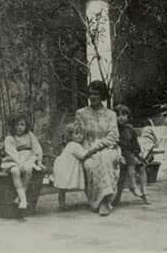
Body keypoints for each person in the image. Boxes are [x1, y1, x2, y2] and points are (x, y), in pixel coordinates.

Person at [74, 80, 121, 216]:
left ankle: (104, 202)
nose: (93, 97)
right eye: (90, 94)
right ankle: (99, 200)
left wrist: (96, 148)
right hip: (88, 151)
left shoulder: (111, 115)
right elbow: (78, 136)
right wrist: (88, 151)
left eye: (96, 94)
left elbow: (113, 137)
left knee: (104, 157)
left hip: (109, 149)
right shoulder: (81, 113)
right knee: (89, 166)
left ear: (102, 95)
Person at [1, 114, 45, 209]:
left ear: (26, 126)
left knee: (29, 169)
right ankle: (24, 199)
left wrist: (39, 161)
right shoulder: (9, 138)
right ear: (12, 126)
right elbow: (12, 152)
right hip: (15, 160)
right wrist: (19, 163)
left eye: (22, 124)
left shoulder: (29, 135)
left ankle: (20, 198)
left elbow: (37, 148)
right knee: (14, 171)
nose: (19, 127)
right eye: (16, 125)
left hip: (28, 158)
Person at [113, 104, 151, 205]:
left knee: (142, 165)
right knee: (130, 161)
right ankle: (133, 186)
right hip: (121, 154)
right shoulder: (114, 130)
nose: (121, 117)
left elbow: (136, 146)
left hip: (131, 154)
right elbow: (115, 145)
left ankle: (144, 191)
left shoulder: (131, 130)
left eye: (123, 115)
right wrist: (122, 155)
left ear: (128, 116)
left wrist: (136, 154)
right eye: (118, 115)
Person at [53, 123, 87, 210]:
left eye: (81, 134)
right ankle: (62, 204)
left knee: (62, 188)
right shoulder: (74, 145)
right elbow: (82, 155)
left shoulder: (70, 144)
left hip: (63, 165)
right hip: (66, 167)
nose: (79, 136)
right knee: (63, 185)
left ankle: (62, 203)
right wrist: (91, 150)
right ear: (70, 135)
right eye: (76, 133)